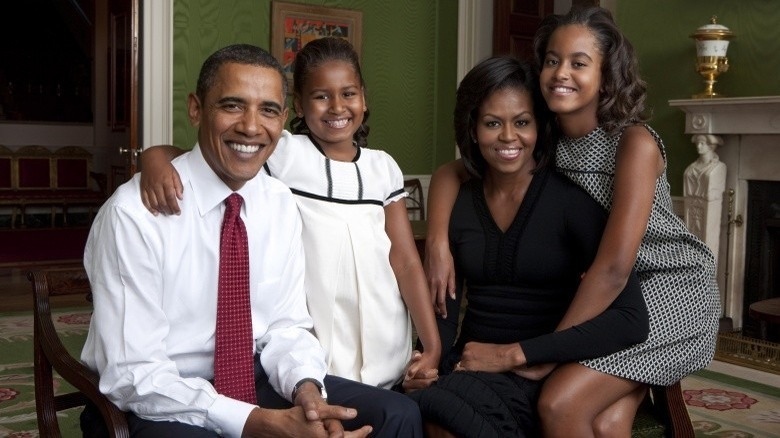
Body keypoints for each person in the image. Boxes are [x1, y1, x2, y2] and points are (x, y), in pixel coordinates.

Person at [80, 43, 422, 438]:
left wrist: (307, 393)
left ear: (284, 117)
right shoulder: (134, 214)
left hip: (253, 375)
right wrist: (258, 424)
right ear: (195, 108)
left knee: (398, 416)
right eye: (232, 105)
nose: (251, 126)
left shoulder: (277, 202)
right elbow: (132, 374)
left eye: (268, 110)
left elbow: (287, 327)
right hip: (158, 398)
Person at [425, 6, 720, 436]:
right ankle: (627, 391)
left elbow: (616, 267)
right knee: (607, 420)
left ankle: (629, 383)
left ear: (607, 74)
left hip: (670, 290)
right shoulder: (548, 137)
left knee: (559, 401)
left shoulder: (633, 144)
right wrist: (436, 239)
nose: (561, 72)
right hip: (611, 291)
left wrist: (542, 350)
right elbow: (452, 172)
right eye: (551, 60)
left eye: (579, 63)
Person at [139, 37, 441, 392]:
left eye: (348, 94)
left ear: (364, 99)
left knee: (389, 410)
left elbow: (404, 261)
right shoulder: (284, 152)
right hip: (316, 332)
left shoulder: (383, 168)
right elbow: (206, 157)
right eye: (321, 96)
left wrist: (431, 345)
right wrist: (152, 158)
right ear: (297, 105)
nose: (337, 107)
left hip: (383, 324)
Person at [406, 55, 649, 437]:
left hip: (539, 371)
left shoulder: (572, 202)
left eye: (521, 122)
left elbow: (631, 319)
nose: (507, 137)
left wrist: (530, 353)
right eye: (492, 123)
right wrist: (427, 359)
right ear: (471, 129)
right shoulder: (459, 201)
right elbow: (444, 305)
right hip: (472, 363)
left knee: (442, 416)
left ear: (539, 126)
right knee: (414, 406)